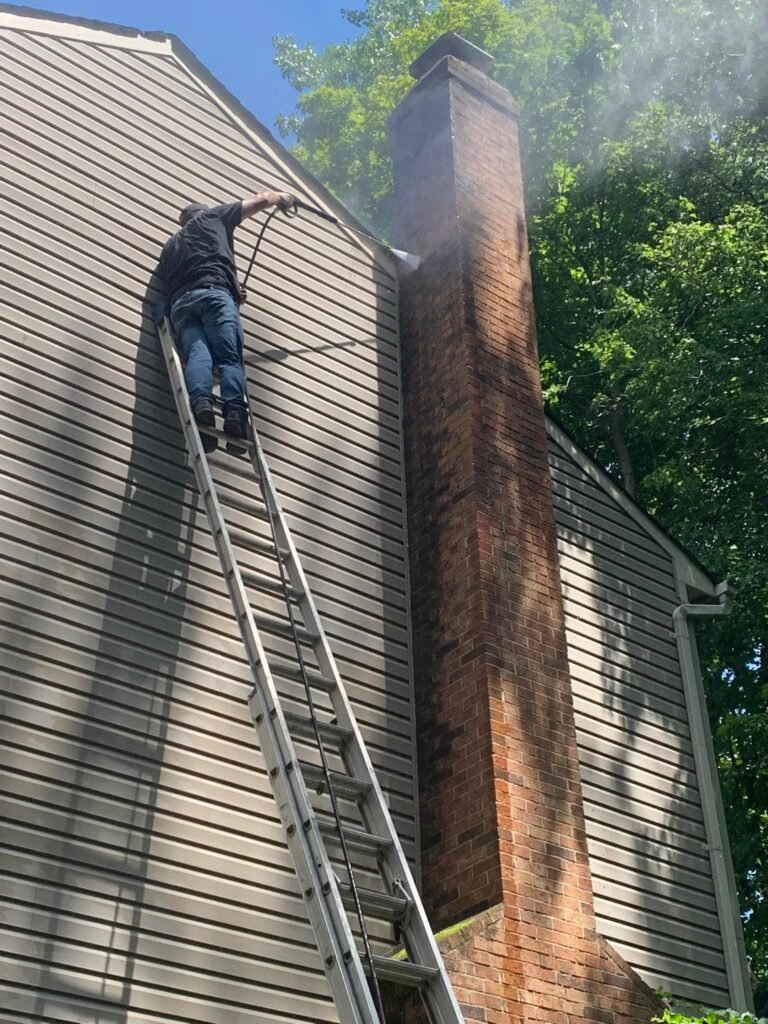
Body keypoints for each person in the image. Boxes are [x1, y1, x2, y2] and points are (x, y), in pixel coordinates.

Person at [157, 190, 294, 449]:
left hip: (182, 306)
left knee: (198, 354)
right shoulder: (212, 218)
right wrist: (281, 197)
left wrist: (231, 288)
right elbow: (261, 201)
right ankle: (234, 414)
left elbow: (181, 276)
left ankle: (201, 406)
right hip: (214, 297)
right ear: (203, 211)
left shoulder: (170, 246)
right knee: (229, 358)